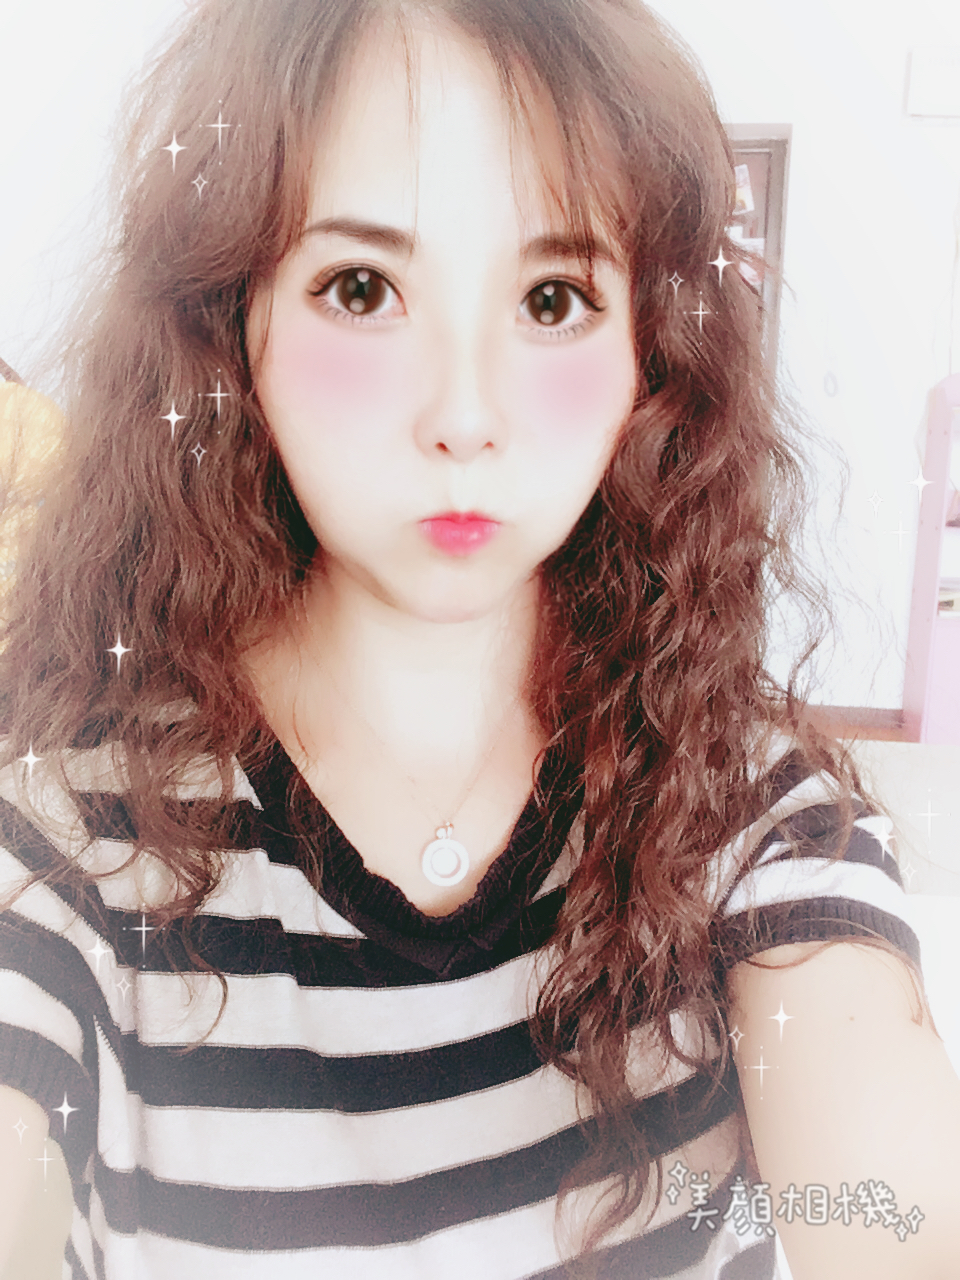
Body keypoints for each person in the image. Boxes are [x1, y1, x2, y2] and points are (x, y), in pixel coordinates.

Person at [0, 1, 957, 1277]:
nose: (464, 413)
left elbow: (892, 1212)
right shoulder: (72, 846)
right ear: (235, 325)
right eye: (362, 289)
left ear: (647, 352)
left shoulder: (738, 810)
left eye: (553, 299)